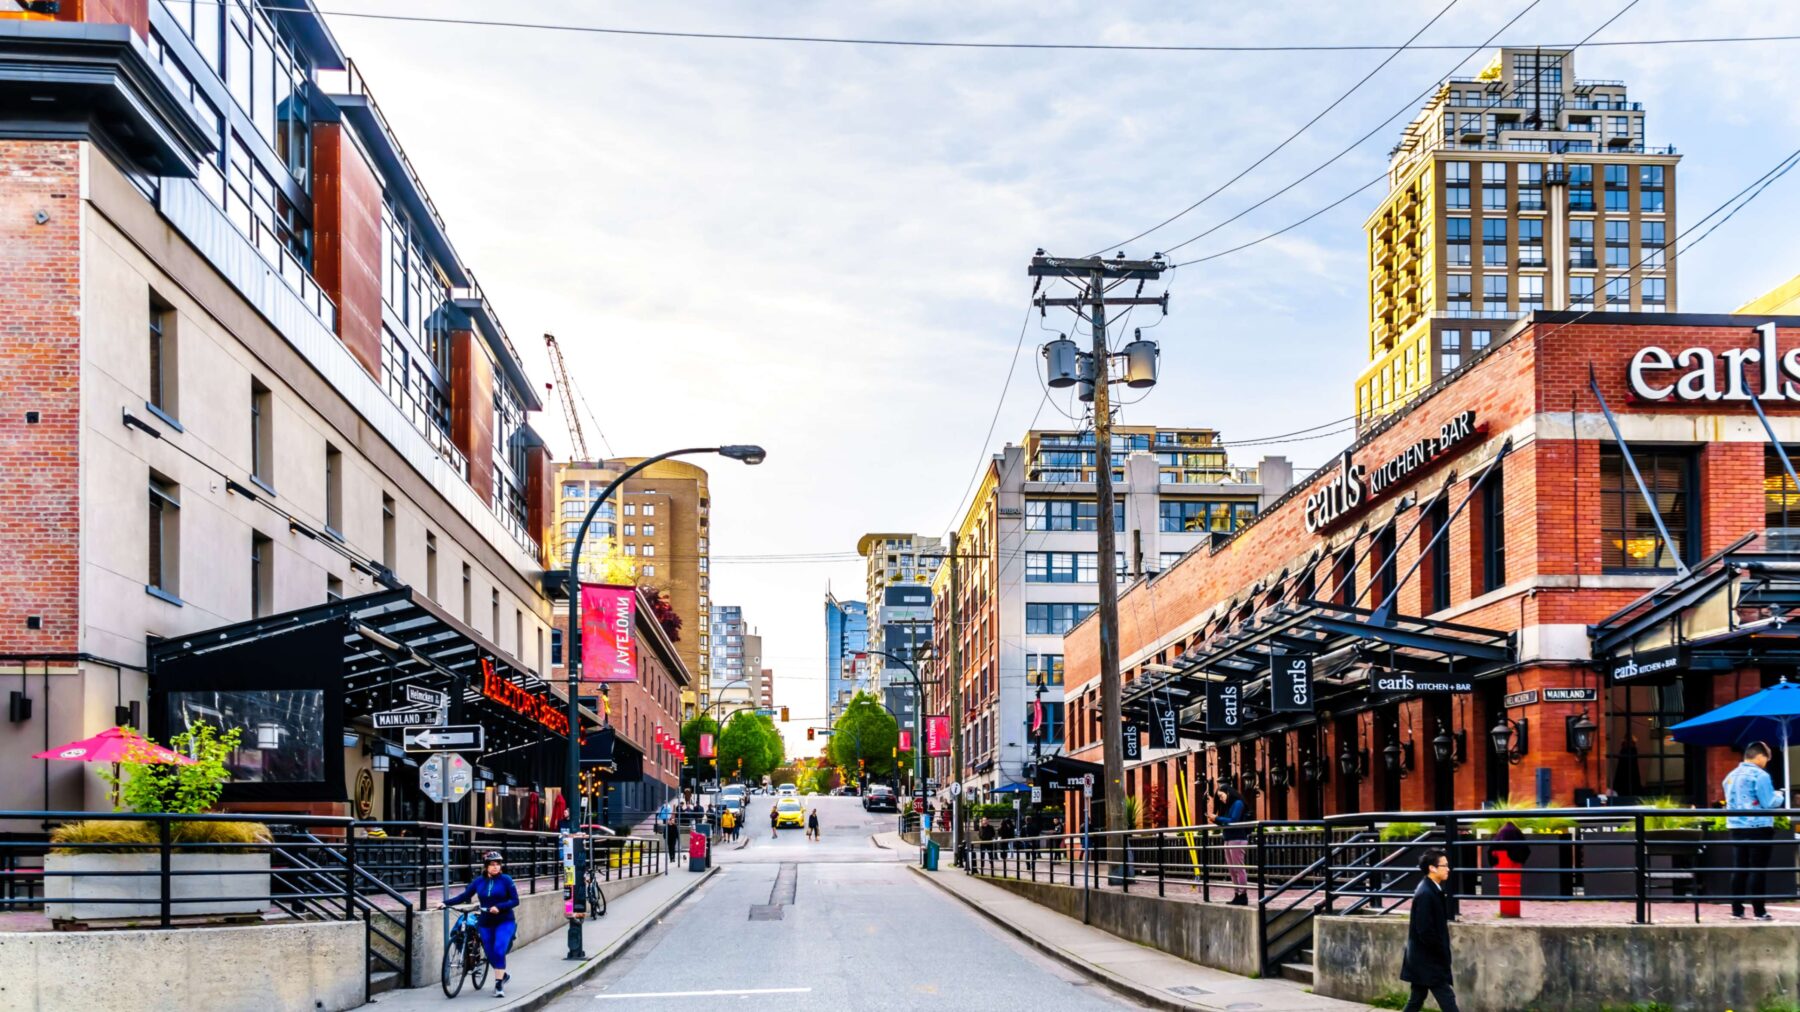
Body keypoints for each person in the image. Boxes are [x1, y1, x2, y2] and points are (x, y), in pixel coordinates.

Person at [1724, 740, 1786, 920]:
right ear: (1759, 756)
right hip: (1758, 826)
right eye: (1766, 758)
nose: (1767, 762)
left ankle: (1737, 910)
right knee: (1757, 869)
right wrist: (1779, 795)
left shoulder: (1730, 775)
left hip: (1736, 827)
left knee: (1739, 869)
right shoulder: (1760, 775)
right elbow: (1768, 803)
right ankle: (1759, 911)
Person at [445, 851, 520, 998]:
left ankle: (499, 985)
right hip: (485, 922)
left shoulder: (506, 880)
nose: (495, 867)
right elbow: (464, 896)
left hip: (504, 921)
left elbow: (515, 900)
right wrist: (445, 903)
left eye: (498, 864)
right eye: (492, 864)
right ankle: (503, 975)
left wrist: (499, 907)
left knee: (499, 949)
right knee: (491, 954)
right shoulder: (479, 881)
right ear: (486, 866)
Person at [1399, 850, 1459, 1012]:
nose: (1448, 869)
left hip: (1422, 958)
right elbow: (1424, 930)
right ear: (1432, 868)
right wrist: (1440, 951)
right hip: (1429, 959)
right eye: (1444, 865)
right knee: (1447, 999)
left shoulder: (1431, 889)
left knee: (1416, 999)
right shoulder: (1426, 893)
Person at [1213, 787, 1250, 905]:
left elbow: (1233, 820)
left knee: (1238, 868)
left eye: (1221, 796)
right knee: (1232, 869)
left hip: (1238, 838)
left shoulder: (1238, 803)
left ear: (1228, 793)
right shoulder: (1227, 806)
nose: (1220, 799)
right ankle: (1236, 894)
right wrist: (1216, 820)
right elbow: (1227, 821)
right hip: (1228, 838)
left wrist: (1217, 818)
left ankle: (1243, 895)